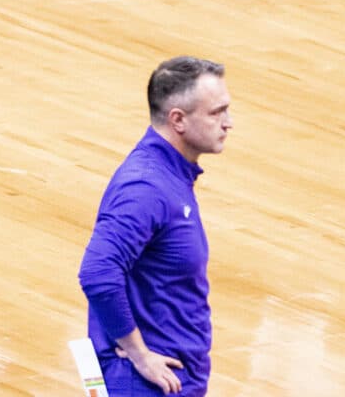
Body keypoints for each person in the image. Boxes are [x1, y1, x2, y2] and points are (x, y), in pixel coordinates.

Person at [78, 56, 233, 396]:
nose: (228, 123)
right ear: (177, 119)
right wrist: (139, 354)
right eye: (216, 112)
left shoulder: (170, 176)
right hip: (138, 383)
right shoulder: (146, 188)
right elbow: (97, 272)